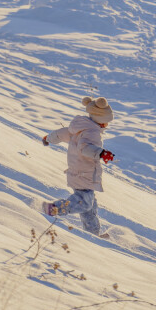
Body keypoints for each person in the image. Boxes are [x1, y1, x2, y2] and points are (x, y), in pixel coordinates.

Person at [41, 96, 115, 238]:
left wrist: (48, 138)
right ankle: (54, 209)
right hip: (84, 174)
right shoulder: (92, 132)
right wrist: (101, 153)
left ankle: (93, 234)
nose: (107, 124)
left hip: (80, 172)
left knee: (90, 207)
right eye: (106, 121)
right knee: (85, 203)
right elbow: (85, 148)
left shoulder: (80, 127)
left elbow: (61, 134)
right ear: (100, 119)